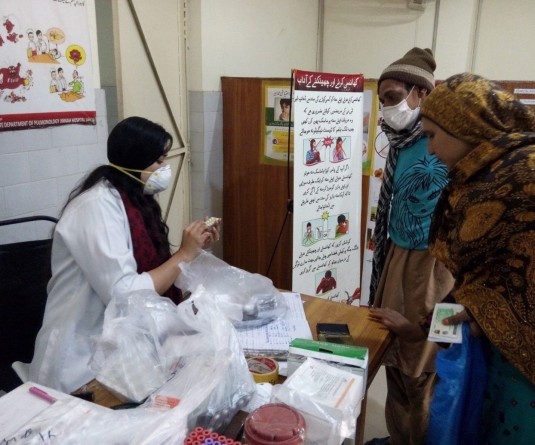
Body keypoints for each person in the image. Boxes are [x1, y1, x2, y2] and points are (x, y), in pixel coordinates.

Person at [29, 116, 221, 394]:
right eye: (159, 161)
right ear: (135, 160)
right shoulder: (96, 207)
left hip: (125, 347)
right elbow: (125, 295)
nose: (165, 169)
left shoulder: (136, 199)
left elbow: (158, 273)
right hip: (80, 363)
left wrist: (194, 250)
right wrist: (183, 255)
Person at [419, 73, 535, 444]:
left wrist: (494, 310)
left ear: (464, 124)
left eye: (432, 135)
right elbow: (495, 270)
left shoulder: (519, 175)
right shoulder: (487, 171)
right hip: (498, 345)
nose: (430, 150)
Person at [367, 48, 454, 445]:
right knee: (395, 361)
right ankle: (398, 438)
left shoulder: (447, 145)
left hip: (436, 270)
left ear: (421, 94)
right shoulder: (400, 141)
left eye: (394, 96)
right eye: (382, 99)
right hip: (397, 260)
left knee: (426, 375)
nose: (387, 107)